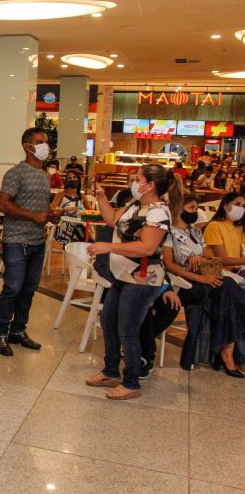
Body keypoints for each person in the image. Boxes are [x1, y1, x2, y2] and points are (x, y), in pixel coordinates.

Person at [85, 164, 182, 399]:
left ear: (149, 185)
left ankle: (131, 382)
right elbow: (112, 220)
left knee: (127, 329)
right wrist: (101, 199)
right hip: (121, 274)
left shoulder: (158, 212)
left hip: (141, 279)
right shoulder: (136, 205)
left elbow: (147, 247)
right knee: (108, 320)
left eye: (137, 179)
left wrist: (108, 246)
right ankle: (111, 371)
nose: (133, 182)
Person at [163, 194, 245, 376]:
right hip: (185, 284)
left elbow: (210, 257)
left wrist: (199, 258)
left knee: (228, 292)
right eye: (192, 208)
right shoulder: (168, 233)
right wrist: (200, 278)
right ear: (179, 209)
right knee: (230, 290)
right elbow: (169, 265)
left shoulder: (196, 232)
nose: (195, 212)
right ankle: (226, 353)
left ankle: (227, 351)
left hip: (205, 279)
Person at [0, 128, 54, 356]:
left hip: (38, 240)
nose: (44, 146)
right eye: (39, 142)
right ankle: (0, 333)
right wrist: (33, 215)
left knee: (29, 288)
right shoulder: (15, 173)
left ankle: (18, 330)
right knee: (13, 287)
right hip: (16, 240)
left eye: (45, 142)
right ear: (27, 146)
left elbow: (39, 207)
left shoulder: (45, 175)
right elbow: (4, 204)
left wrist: (48, 214)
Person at [203, 192, 245, 270]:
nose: (241, 208)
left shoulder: (238, 227)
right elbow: (222, 260)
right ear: (225, 206)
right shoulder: (214, 226)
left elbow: (242, 252)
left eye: (243, 206)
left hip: (238, 270)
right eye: (237, 204)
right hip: (221, 272)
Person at [51, 170, 93, 244]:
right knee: (78, 232)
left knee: (82, 230)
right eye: (69, 178)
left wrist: (82, 211)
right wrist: (65, 209)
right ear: (66, 181)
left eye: (74, 177)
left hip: (79, 223)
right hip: (64, 224)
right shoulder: (61, 194)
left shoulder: (82, 196)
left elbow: (92, 212)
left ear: (78, 180)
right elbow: (51, 209)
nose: (72, 180)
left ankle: (79, 247)